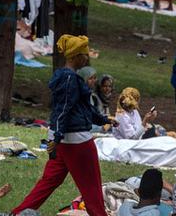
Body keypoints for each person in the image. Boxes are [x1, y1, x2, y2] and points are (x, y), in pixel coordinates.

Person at [12, 35, 117, 216]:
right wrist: (56, 137)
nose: (86, 58)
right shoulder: (71, 80)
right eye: (84, 54)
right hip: (77, 142)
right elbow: (62, 110)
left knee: (48, 182)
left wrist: (104, 120)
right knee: (92, 190)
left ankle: (17, 213)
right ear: (76, 56)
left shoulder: (66, 77)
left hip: (63, 142)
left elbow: (83, 109)